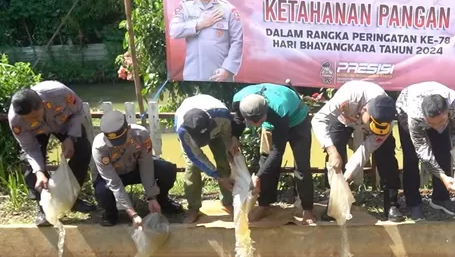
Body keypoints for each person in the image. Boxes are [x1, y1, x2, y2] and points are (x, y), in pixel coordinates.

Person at [310, 80, 404, 223]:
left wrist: (348, 175)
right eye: (370, 124)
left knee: (387, 157)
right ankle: (335, 205)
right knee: (335, 155)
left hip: (367, 119)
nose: (370, 129)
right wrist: (331, 150)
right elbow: (318, 119)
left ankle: (391, 205)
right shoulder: (348, 97)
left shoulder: (385, 120)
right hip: (343, 119)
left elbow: (365, 151)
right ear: (365, 110)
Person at [8, 82, 96, 227]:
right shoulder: (16, 120)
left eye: (35, 116)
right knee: (31, 168)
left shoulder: (59, 93)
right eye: (27, 119)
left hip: (64, 125)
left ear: (43, 104)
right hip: (36, 134)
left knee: (82, 151)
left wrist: (71, 138)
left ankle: (72, 199)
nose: (32, 121)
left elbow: (78, 111)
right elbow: (30, 148)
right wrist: (40, 172)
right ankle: (44, 208)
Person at [232, 83, 315, 225]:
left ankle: (307, 209)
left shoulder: (278, 109)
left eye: (260, 121)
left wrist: (258, 177)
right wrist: (234, 137)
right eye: (253, 123)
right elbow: (238, 119)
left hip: (297, 121)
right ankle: (264, 205)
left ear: (266, 112)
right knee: (265, 162)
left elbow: (277, 152)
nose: (257, 125)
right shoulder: (238, 100)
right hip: (270, 125)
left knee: (302, 166)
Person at [92, 111, 183, 226]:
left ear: (128, 129)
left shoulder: (141, 135)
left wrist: (152, 197)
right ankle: (111, 213)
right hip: (115, 174)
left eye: (120, 140)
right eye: (113, 142)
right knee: (103, 191)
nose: (117, 145)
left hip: (135, 168)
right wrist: (132, 213)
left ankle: (161, 200)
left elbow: (146, 167)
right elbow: (113, 182)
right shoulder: (100, 147)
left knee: (167, 170)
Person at [396, 81, 455, 220]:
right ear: (424, 117)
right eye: (431, 123)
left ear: (448, 112)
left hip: (438, 111)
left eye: (440, 122)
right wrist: (442, 176)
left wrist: (452, 147)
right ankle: (413, 202)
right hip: (404, 108)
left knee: (444, 151)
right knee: (411, 158)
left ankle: (441, 199)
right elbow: (422, 150)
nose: (435, 127)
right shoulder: (415, 115)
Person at [168, 0, 244, 82]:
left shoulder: (228, 9)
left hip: (220, 75)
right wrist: (199, 24)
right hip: (193, 75)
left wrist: (227, 69)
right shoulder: (185, 7)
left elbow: (237, 42)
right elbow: (173, 31)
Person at [175, 94, 240, 223]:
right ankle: (193, 207)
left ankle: (227, 201)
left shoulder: (223, 117)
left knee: (223, 160)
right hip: (191, 134)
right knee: (192, 167)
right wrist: (219, 177)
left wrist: (232, 153)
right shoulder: (183, 130)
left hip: (217, 131)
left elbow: (228, 138)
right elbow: (197, 156)